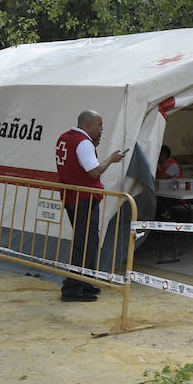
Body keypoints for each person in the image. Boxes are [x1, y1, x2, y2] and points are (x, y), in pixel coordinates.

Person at [55, 110, 127, 302]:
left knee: (87, 243)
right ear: (88, 125)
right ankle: (73, 288)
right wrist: (111, 159)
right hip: (84, 198)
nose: (102, 129)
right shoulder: (83, 143)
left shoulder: (64, 138)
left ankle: (85, 283)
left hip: (72, 197)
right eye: (99, 125)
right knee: (84, 244)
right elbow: (94, 172)